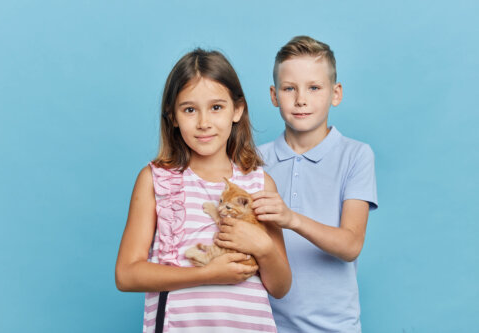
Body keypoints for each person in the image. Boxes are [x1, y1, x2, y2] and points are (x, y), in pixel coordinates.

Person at [115, 48, 291, 333]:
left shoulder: (260, 183)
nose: (204, 123)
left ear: (238, 109)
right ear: (172, 116)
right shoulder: (155, 180)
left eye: (216, 107)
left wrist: (264, 248)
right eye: (189, 110)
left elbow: (281, 287)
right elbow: (126, 274)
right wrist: (206, 274)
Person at [251, 36, 378, 332]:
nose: (301, 100)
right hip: (264, 324)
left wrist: (291, 218)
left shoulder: (356, 155)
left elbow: (350, 245)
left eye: (314, 88)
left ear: (336, 93)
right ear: (273, 95)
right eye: (289, 88)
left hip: (335, 327)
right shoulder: (254, 160)